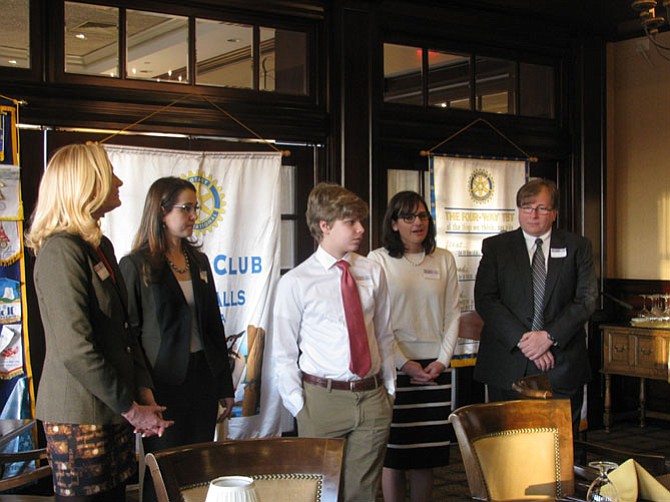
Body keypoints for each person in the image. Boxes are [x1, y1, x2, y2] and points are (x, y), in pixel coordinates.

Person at [25, 143, 173, 502]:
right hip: (80, 419)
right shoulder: (61, 251)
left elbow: (124, 330)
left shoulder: (98, 245)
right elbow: (76, 349)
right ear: (86, 183)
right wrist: (131, 409)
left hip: (114, 412)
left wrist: (142, 392)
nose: (119, 181)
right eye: (109, 173)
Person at [272, 182, 395, 502]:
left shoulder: (372, 270)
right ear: (324, 226)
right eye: (351, 222)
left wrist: (390, 392)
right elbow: (283, 354)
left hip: (371, 397)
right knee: (320, 493)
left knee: (363, 494)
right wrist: (300, 407)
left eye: (361, 221)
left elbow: (383, 334)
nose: (361, 229)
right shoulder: (296, 282)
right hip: (321, 399)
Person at [119, 177, 235, 501]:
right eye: (186, 208)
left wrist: (224, 385)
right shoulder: (136, 265)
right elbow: (129, 336)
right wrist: (142, 391)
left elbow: (213, 325)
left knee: (199, 471)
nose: (194, 215)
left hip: (202, 378)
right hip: (161, 385)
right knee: (164, 473)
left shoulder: (199, 261)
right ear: (161, 211)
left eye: (196, 208)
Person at [474, 178, 597, 438]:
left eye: (541, 208)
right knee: (507, 448)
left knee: (560, 448)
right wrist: (526, 342)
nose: (533, 214)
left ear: (554, 213)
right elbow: (486, 299)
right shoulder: (496, 247)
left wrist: (548, 337)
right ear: (518, 210)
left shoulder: (578, 247)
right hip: (507, 363)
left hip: (562, 364)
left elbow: (586, 300)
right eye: (526, 207)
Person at [368, 191, 460, 502]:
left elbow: (453, 314)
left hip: (435, 367)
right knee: (394, 454)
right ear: (394, 224)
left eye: (422, 216)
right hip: (394, 366)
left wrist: (443, 361)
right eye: (408, 217)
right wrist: (404, 363)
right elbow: (377, 320)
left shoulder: (444, 259)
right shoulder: (377, 260)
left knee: (426, 454)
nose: (417, 222)